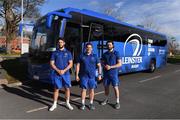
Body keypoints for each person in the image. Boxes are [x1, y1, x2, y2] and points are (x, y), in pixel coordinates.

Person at [49, 37, 74, 111]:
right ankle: (54, 104)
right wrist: (58, 70)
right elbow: (52, 63)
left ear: (64, 43)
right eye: (59, 42)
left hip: (66, 74)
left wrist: (64, 70)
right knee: (56, 89)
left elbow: (71, 64)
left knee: (67, 89)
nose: (60, 43)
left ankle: (67, 103)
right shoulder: (55, 53)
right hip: (57, 74)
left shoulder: (68, 53)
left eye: (61, 42)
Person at [76, 42, 102, 110]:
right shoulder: (81, 55)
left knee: (91, 90)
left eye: (90, 47)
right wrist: (77, 75)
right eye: (87, 47)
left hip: (92, 77)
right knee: (83, 90)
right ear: (85, 48)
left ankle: (91, 103)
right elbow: (78, 66)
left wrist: (99, 74)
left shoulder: (95, 56)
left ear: (92, 48)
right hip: (83, 76)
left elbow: (99, 66)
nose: (88, 48)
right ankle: (82, 104)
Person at [101, 40, 122, 109]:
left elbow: (119, 64)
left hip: (113, 74)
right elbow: (102, 63)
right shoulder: (104, 54)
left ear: (112, 45)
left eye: (110, 45)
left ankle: (117, 102)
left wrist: (111, 67)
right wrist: (104, 66)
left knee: (115, 87)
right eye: (107, 45)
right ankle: (106, 99)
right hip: (106, 74)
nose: (108, 46)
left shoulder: (116, 53)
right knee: (106, 87)